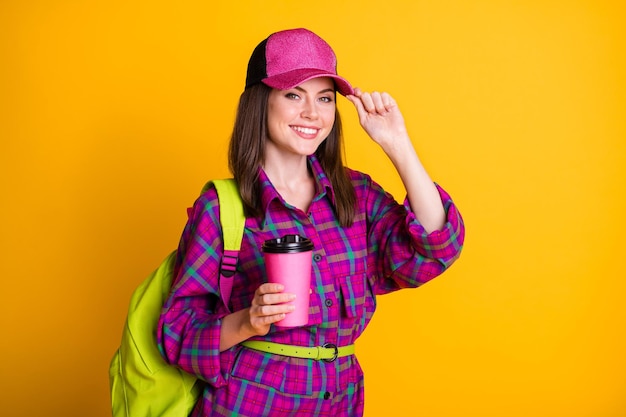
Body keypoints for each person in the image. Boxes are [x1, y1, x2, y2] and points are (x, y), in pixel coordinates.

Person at [157, 28, 465, 417]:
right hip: (251, 402)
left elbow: (436, 246)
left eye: (324, 98)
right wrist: (249, 321)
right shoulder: (222, 208)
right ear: (260, 101)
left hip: (340, 401)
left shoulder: (355, 196)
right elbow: (177, 332)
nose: (312, 114)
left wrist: (397, 144)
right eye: (292, 95)